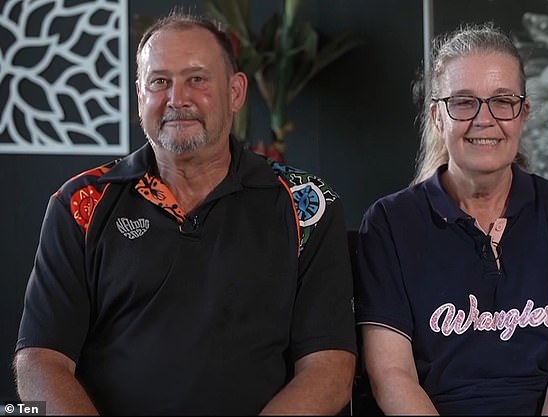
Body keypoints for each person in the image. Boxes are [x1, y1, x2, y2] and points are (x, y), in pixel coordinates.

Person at [13, 9, 356, 415]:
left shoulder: (308, 205)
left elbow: (329, 368)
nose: (177, 99)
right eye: (160, 81)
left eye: (197, 79)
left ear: (236, 92)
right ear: (140, 95)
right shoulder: (80, 204)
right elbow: (39, 360)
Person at [353, 22, 548, 415]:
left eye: (503, 101)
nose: (485, 119)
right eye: (464, 102)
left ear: (523, 113)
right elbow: (391, 375)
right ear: (437, 116)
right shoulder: (388, 224)